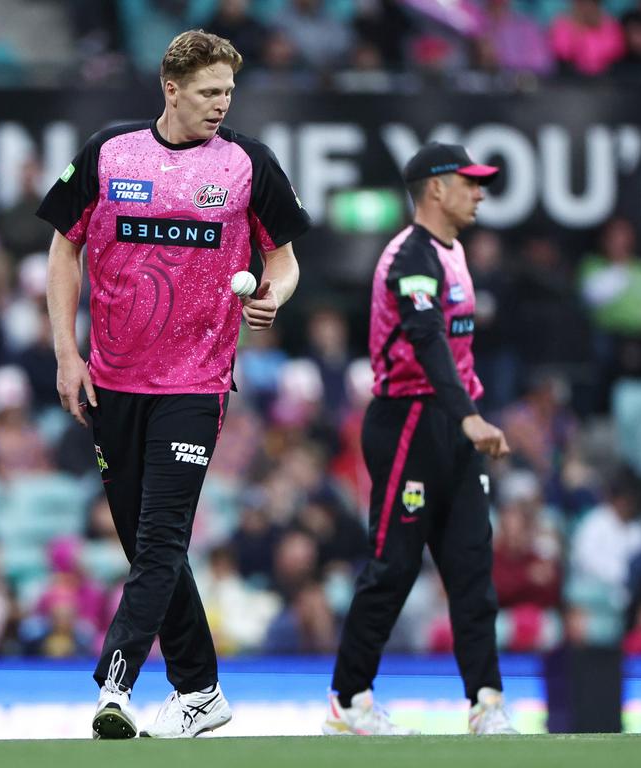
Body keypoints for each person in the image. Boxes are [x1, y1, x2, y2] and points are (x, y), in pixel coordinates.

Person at [37, 29, 310, 740]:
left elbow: (284, 260)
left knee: (160, 539)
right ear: (172, 88)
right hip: (112, 380)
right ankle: (201, 690)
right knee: (144, 544)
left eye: (228, 91)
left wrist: (274, 294)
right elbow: (64, 248)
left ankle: (115, 687)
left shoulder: (249, 164)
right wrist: (68, 354)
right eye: (209, 91)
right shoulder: (109, 152)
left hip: (196, 380)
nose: (222, 103)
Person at [324, 143, 515, 737]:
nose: (479, 192)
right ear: (436, 188)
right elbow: (427, 340)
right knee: (395, 565)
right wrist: (469, 417)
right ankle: (348, 701)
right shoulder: (409, 255)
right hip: (409, 418)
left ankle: (486, 703)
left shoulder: (451, 252)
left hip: (451, 421)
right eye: (470, 182)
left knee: (471, 566)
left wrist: (464, 416)